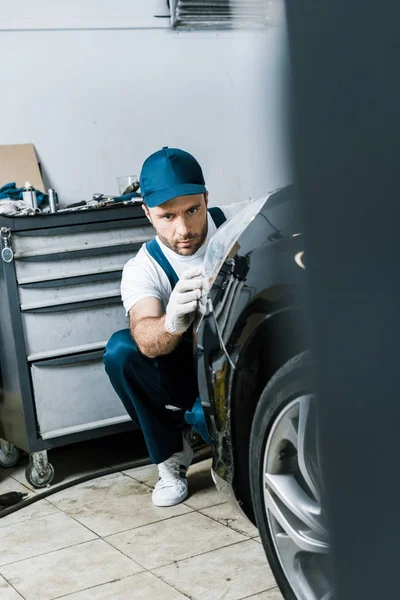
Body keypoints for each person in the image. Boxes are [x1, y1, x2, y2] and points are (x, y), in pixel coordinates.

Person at [104, 146, 248, 507]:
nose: (183, 230)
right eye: (167, 217)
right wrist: (172, 322)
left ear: (206, 198)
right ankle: (171, 459)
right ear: (147, 213)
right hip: (186, 369)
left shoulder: (241, 223)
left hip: (238, 361)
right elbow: (145, 336)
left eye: (193, 211)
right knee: (120, 351)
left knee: (211, 424)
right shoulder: (143, 268)